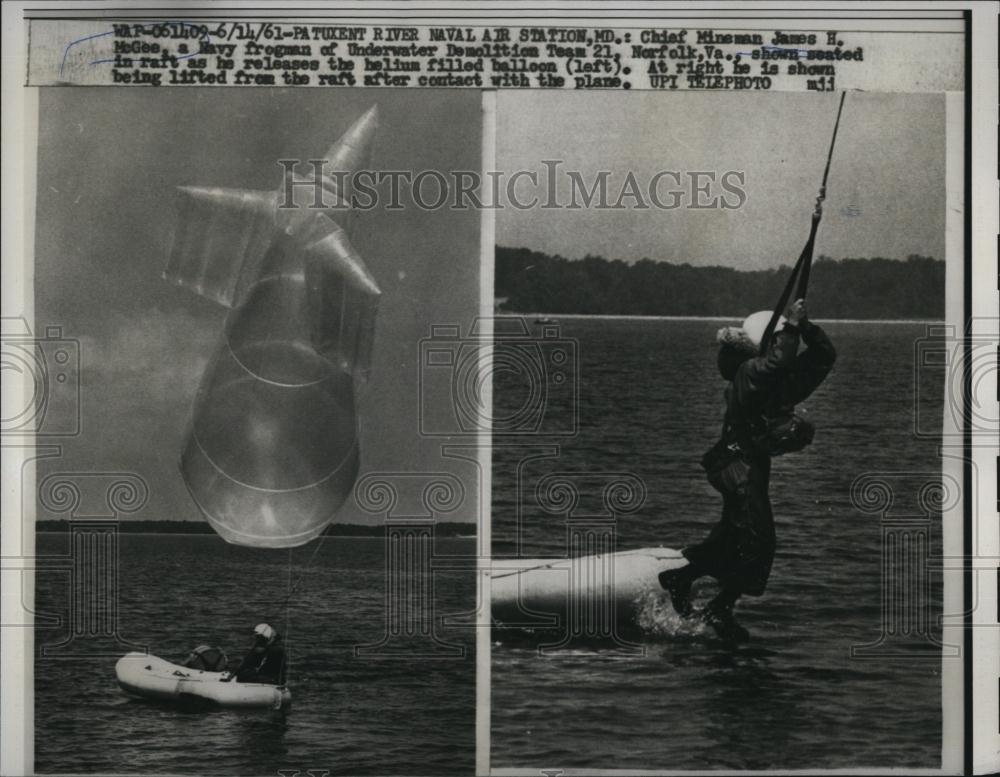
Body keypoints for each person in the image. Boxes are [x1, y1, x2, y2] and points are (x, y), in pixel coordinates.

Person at [659, 298, 836, 644]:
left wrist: (806, 327)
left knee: (734, 535)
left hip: (747, 468)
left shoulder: (777, 379)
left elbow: (824, 357)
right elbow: (777, 361)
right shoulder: (750, 374)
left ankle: (685, 581)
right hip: (736, 468)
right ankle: (717, 604)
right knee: (758, 541)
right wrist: (793, 327)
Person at [221, 623, 287, 685]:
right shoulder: (263, 643)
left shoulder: (277, 648)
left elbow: (271, 666)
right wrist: (234, 674)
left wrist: (265, 649)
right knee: (242, 675)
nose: (258, 639)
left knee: (243, 677)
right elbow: (247, 660)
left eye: (259, 637)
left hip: (273, 677)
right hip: (264, 673)